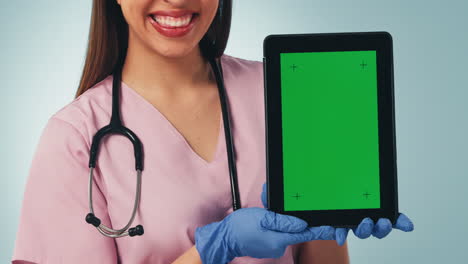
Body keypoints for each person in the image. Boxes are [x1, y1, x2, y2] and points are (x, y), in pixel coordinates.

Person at [11, 0, 413, 263]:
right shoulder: (76, 138)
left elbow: (320, 256)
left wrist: (331, 217)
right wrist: (213, 248)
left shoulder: (284, 91)